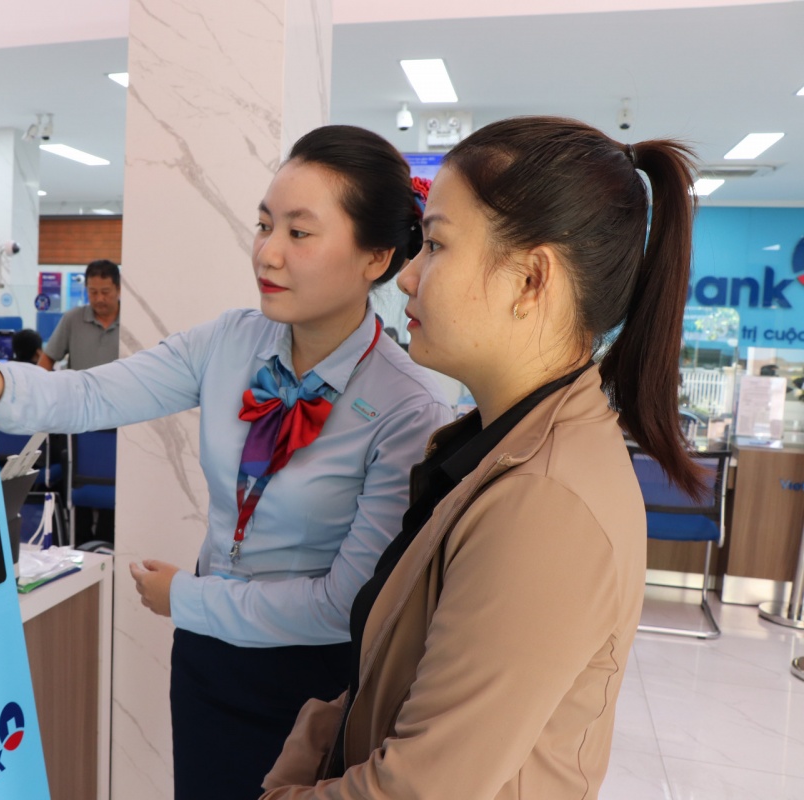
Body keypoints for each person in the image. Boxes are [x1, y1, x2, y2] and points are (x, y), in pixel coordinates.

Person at [0, 125, 452, 799]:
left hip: (313, 684)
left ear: (375, 257)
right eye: (264, 225)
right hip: (208, 662)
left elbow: (342, 606)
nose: (267, 252)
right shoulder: (230, 342)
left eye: (299, 233)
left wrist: (185, 597)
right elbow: (93, 393)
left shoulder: (406, 406)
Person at [261, 116, 706, 799]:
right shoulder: (493, 446)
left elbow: (418, 789)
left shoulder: (546, 504)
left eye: (436, 244)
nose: (408, 277)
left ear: (530, 280)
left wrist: (285, 783)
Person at [38, 259, 121, 371]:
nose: (99, 299)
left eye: (105, 292)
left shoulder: (130, 321)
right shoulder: (73, 319)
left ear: (118, 289)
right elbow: (47, 359)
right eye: (93, 292)